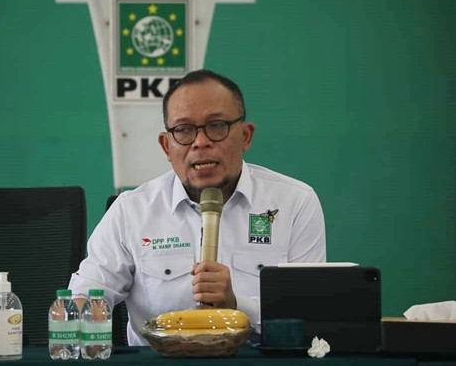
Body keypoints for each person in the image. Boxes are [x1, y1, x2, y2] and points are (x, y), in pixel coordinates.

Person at [69, 69, 326, 346]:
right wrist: (83, 312)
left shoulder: (295, 202)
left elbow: (309, 316)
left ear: (246, 136)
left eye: (217, 126)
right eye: (184, 130)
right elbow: (83, 300)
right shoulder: (131, 211)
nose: (201, 142)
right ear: (167, 146)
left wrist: (238, 304)